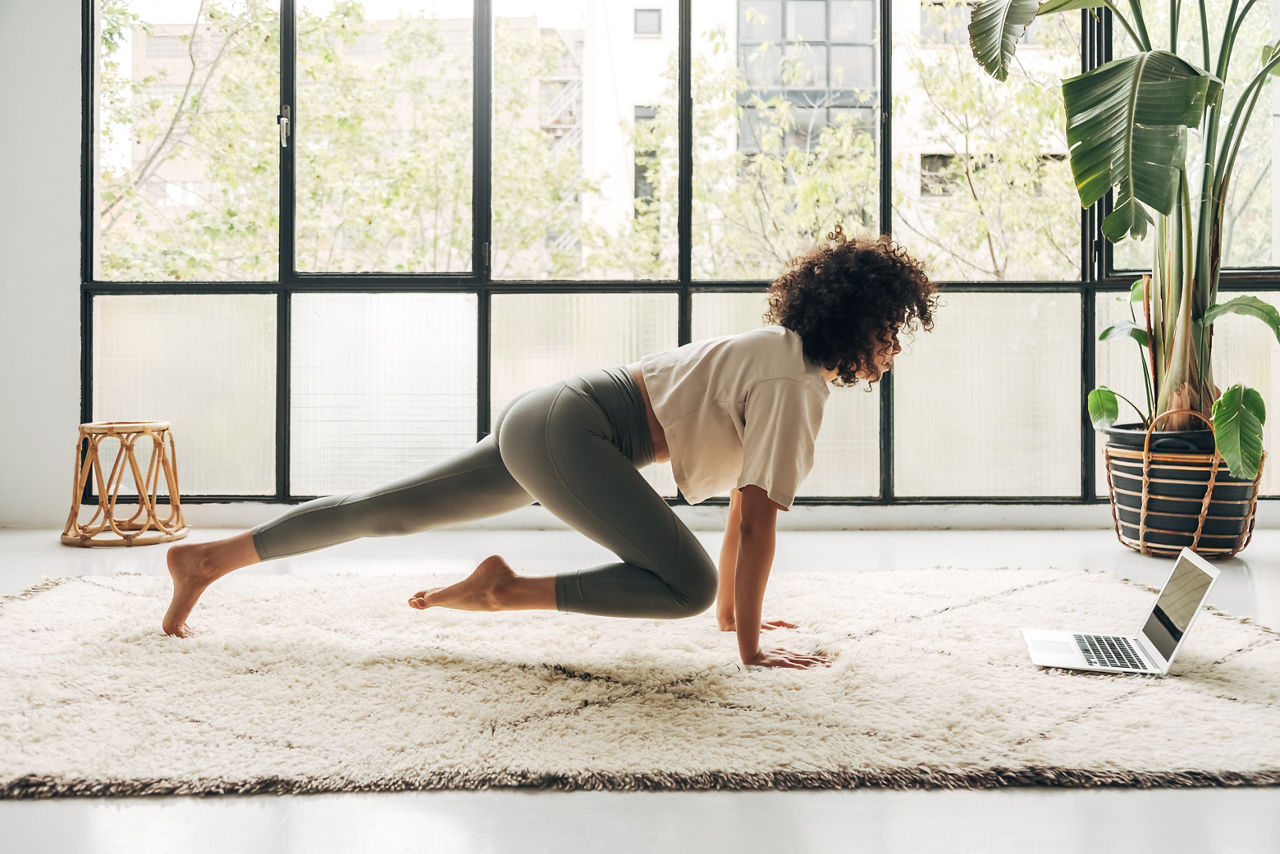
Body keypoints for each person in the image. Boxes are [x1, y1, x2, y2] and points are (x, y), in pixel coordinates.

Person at [163, 225, 937, 670]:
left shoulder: (779, 353)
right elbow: (760, 520)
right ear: (855, 316)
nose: (894, 345)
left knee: (389, 512)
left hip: (553, 417)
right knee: (686, 584)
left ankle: (207, 560)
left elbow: (744, 505)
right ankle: (504, 590)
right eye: (890, 327)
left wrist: (742, 623)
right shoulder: (794, 380)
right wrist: (749, 650)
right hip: (576, 430)